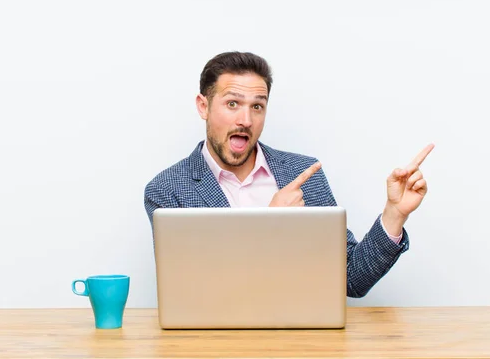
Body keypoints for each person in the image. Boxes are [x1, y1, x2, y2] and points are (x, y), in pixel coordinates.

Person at [144, 51, 434, 298]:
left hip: (302, 341)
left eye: (257, 106)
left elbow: (351, 279)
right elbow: (192, 291)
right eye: (232, 104)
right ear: (203, 106)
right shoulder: (168, 190)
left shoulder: (302, 175)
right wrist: (270, 225)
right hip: (214, 344)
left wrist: (394, 213)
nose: (245, 120)